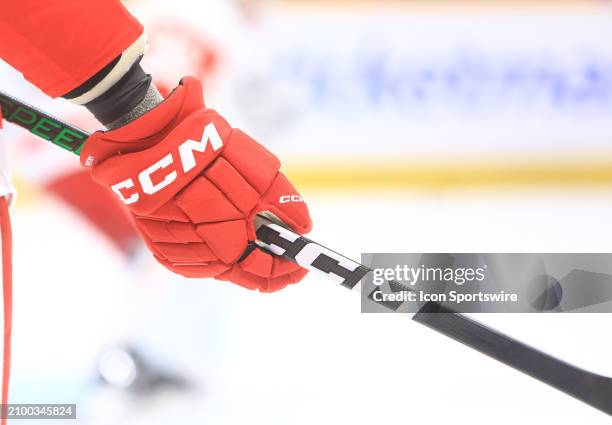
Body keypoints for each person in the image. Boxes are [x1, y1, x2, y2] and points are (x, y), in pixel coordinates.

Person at [0, 1, 313, 422]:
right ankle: (149, 354)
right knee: (180, 246)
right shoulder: (219, 23)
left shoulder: (221, 25)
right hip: (97, 141)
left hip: (77, 141)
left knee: (165, 249)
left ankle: (148, 354)